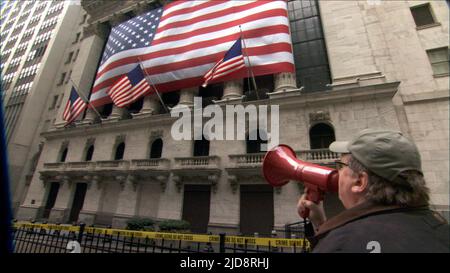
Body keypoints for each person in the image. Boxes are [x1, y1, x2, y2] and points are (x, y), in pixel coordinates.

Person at [298, 129, 449, 253]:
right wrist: (320, 224)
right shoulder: (441, 228)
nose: (338, 173)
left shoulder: (339, 244)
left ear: (359, 181)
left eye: (340, 166)